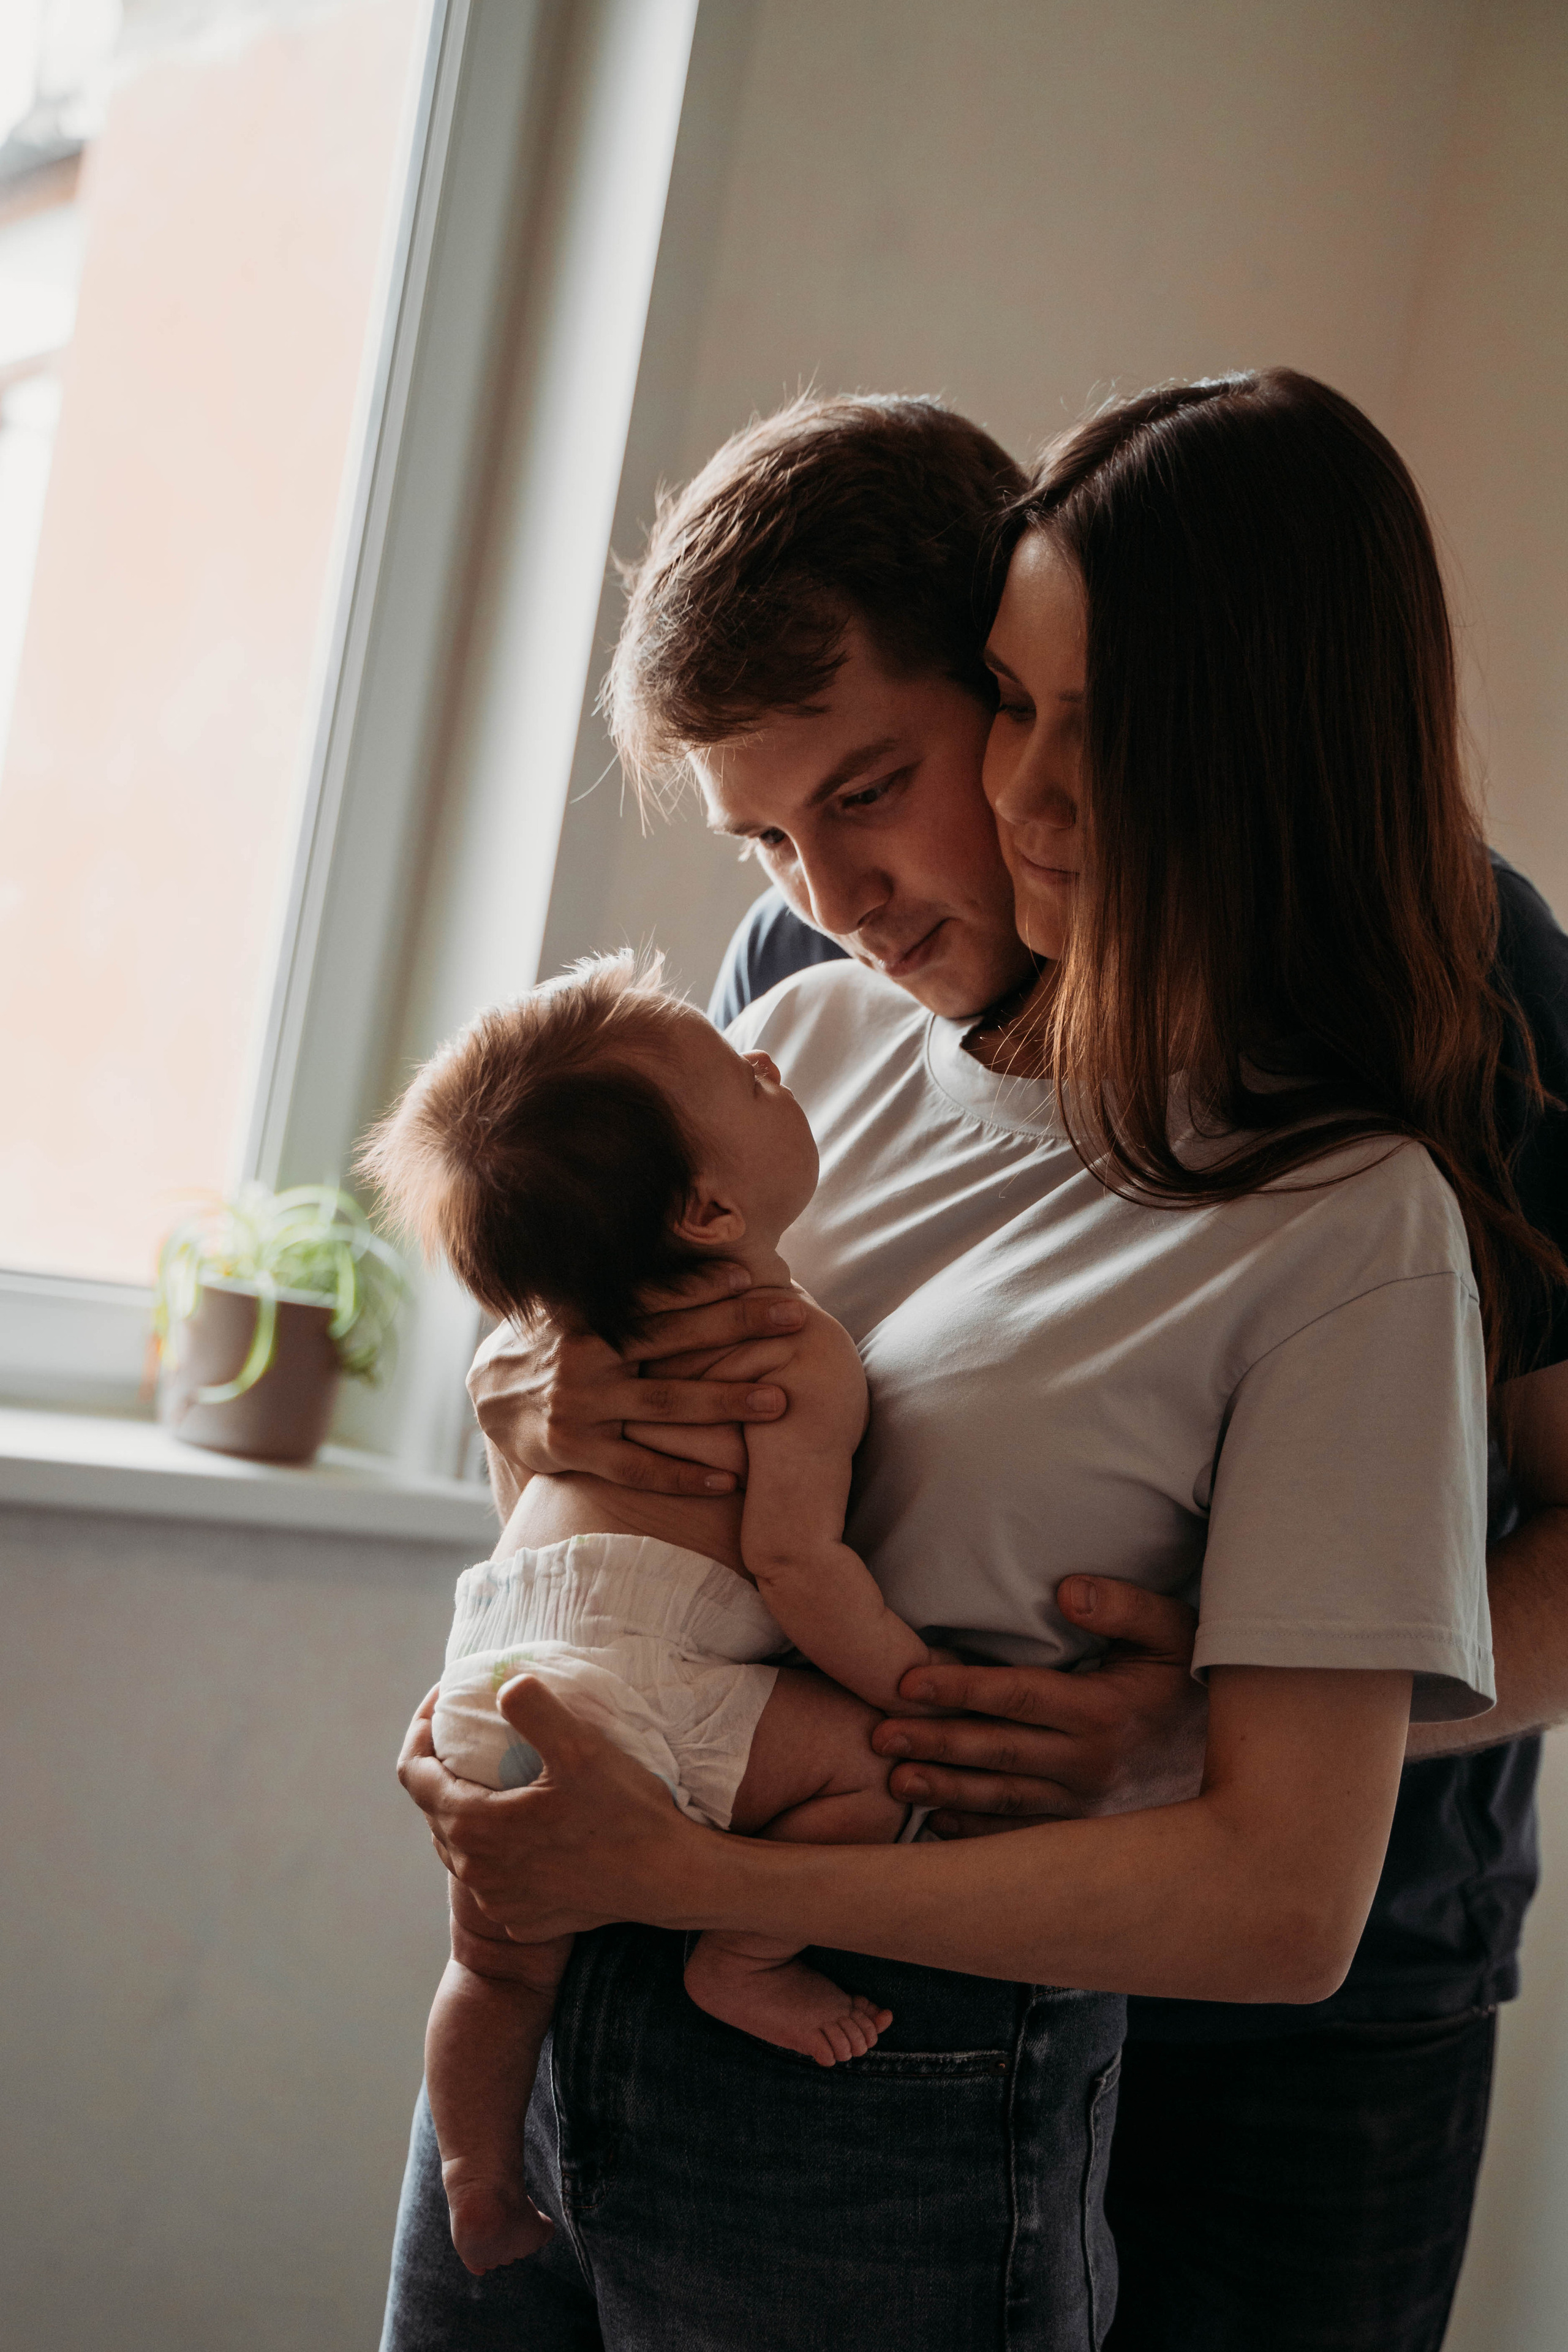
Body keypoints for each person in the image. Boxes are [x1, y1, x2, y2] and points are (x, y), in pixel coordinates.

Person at [384, 375, 1562, 2351]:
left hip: (1304, 1982)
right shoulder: (818, 1019)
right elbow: (632, 1386)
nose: (831, 895)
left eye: (868, 787)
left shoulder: (1438, 1045)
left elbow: (1288, 1867)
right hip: (738, 1960)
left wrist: (1196, 1732)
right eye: (764, 837)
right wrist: (542, 1402)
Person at [363, 952, 963, 2274]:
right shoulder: (785, 1346)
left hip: (486, 1680)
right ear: (704, 1207)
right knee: (865, 1770)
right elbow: (800, 1569)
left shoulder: (554, 1341)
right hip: (643, 1684)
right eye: (749, 1077)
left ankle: (474, 2172)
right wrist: (912, 1690)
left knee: (499, 1970)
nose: (774, 1063)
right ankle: (742, 1961)